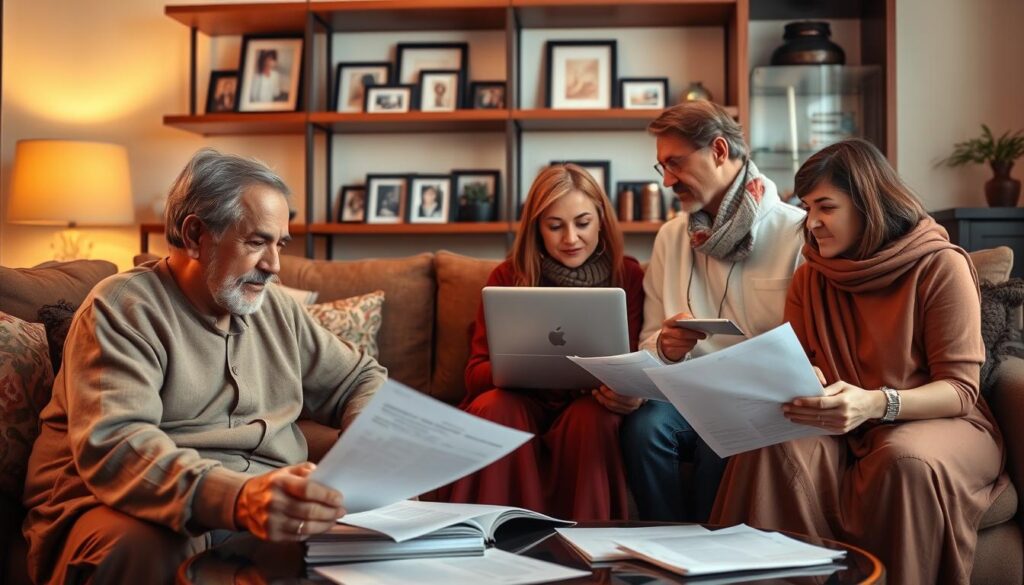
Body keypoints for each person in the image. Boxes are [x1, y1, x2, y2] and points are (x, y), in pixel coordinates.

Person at [21, 149, 387, 585]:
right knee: (149, 545)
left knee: (374, 541)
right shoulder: (123, 308)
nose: (274, 265)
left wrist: (367, 448)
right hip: (117, 506)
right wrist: (239, 497)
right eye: (256, 242)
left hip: (257, 513)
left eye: (279, 244)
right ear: (195, 235)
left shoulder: (277, 312)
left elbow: (363, 377)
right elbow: (118, 446)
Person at [710, 138, 1008, 584]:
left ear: (868, 202)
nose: (812, 223)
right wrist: (802, 379)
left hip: (940, 420)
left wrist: (875, 403)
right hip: (842, 423)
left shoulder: (941, 266)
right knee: (770, 447)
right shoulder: (810, 278)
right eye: (807, 208)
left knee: (902, 460)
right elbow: (807, 363)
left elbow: (960, 391)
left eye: (826, 207)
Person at [620, 101, 805, 522]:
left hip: (761, 396)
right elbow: (649, 338)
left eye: (675, 163)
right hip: (686, 396)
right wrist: (665, 347)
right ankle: (663, 547)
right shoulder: (670, 238)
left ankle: (711, 557)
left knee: (722, 438)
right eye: (661, 167)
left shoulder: (795, 233)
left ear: (719, 151)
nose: (667, 179)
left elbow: (809, 349)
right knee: (645, 428)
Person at [440, 163, 645, 520]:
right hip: (519, 404)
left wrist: (628, 391)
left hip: (588, 407)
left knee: (594, 419)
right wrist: (518, 369)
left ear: (601, 219)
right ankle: (492, 538)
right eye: (554, 226)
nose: (570, 238)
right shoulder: (506, 276)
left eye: (582, 223)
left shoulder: (627, 274)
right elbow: (474, 376)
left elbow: (633, 362)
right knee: (496, 406)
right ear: (536, 228)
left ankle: (588, 548)